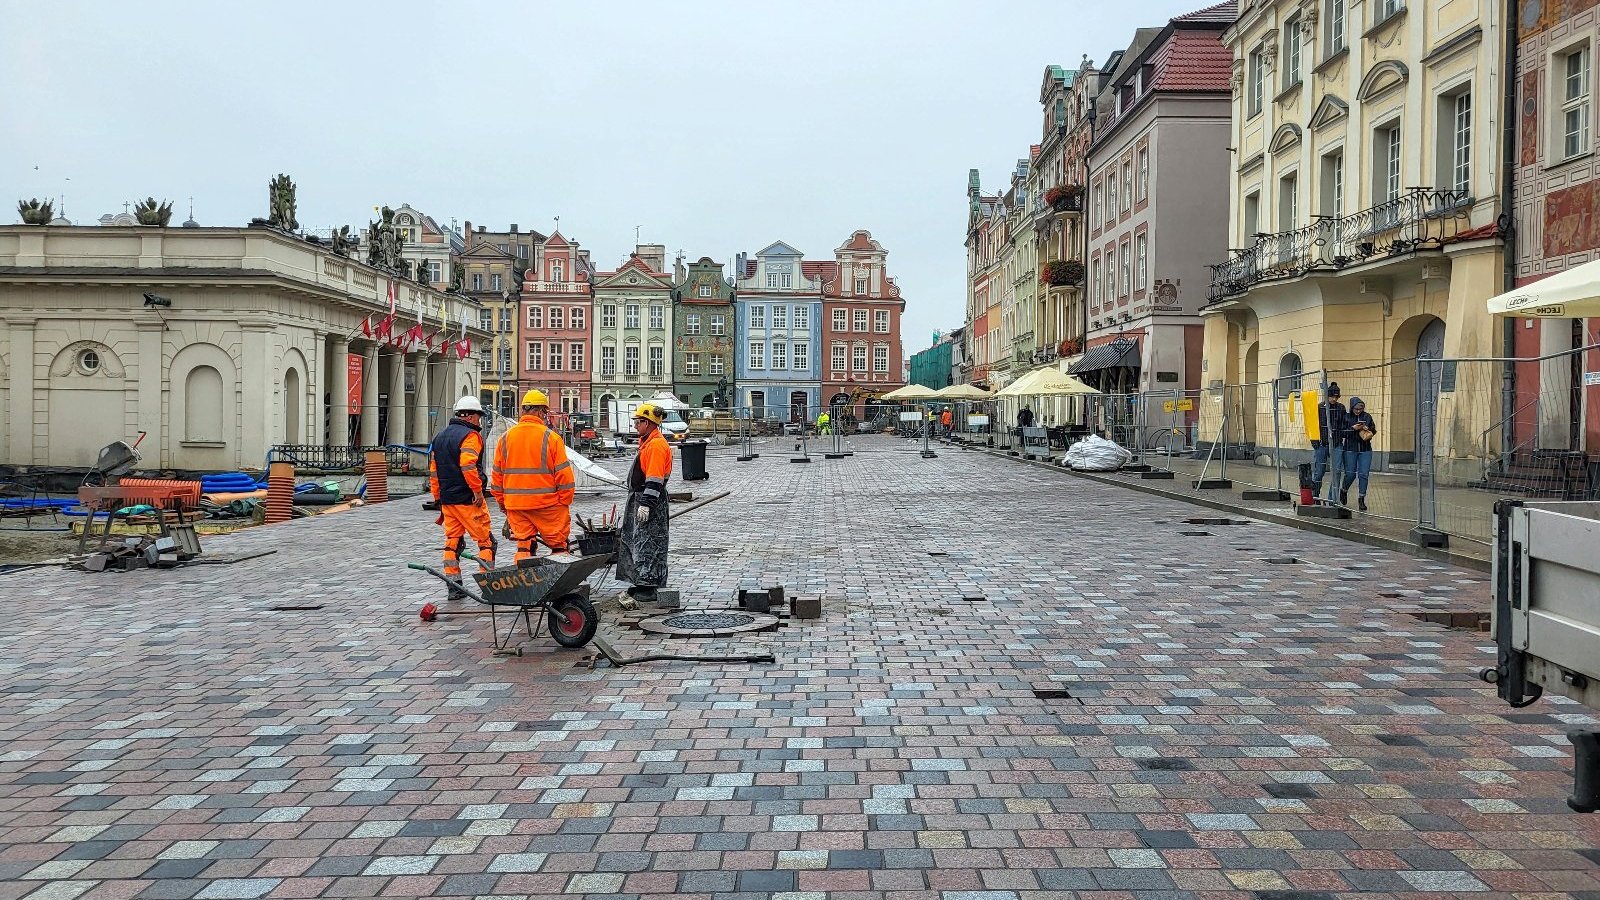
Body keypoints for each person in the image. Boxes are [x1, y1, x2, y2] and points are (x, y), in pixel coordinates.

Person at [489, 389, 576, 563]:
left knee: (524, 545)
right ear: (539, 411)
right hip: (547, 505)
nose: (545, 416)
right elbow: (564, 477)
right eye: (545, 412)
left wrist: (503, 504)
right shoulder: (551, 438)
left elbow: (497, 478)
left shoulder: (505, 439)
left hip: (516, 506)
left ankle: (524, 584)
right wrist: (564, 501)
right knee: (558, 546)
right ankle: (558, 586)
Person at [429, 396, 496, 587]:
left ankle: (454, 586)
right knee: (486, 542)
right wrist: (477, 491)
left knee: (453, 541)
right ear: (471, 416)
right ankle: (488, 585)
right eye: (479, 416)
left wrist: (438, 497)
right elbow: (467, 464)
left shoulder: (440, 437)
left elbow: (434, 470)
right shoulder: (470, 436)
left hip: (448, 501)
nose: (479, 421)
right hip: (468, 500)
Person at [616, 402, 673, 607]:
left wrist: (646, 504)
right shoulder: (648, 442)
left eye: (638, 422)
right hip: (641, 498)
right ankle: (640, 582)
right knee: (639, 541)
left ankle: (648, 587)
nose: (635, 426)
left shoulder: (656, 445)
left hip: (650, 501)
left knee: (649, 543)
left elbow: (655, 479)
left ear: (648, 423)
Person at [1339, 397, 1377, 511]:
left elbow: (1373, 430)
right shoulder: (1346, 417)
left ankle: (1361, 499)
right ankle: (1344, 490)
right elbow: (1342, 433)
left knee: (1364, 474)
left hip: (1365, 449)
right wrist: (1353, 428)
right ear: (1352, 407)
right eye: (1356, 409)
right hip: (1350, 449)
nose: (1358, 411)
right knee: (1350, 474)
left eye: (1361, 408)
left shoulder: (1367, 416)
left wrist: (1368, 428)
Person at [1311, 381, 1347, 500]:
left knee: (1336, 471)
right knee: (1319, 471)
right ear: (1327, 396)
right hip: (1322, 443)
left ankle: (1333, 499)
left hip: (1336, 443)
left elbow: (1343, 424)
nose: (1334, 399)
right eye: (1332, 396)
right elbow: (1313, 425)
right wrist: (1314, 441)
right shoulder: (1320, 407)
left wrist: (1342, 434)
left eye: (1336, 397)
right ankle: (1315, 495)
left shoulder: (1341, 408)